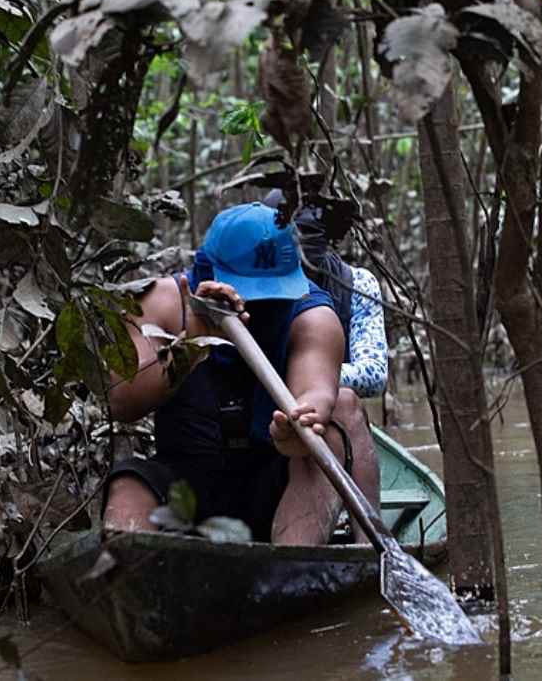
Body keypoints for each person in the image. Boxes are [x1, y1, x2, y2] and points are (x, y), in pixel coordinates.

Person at [102, 202, 380, 545]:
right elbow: (121, 402)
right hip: (187, 481)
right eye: (250, 293)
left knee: (338, 415)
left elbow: (316, 394)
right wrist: (197, 338)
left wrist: (295, 426)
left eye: (272, 296)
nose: (260, 307)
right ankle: (130, 572)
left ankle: (293, 566)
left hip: (275, 483)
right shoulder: (162, 303)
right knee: (128, 487)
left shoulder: (312, 316)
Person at [262, 189, 388, 466]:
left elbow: (374, 374)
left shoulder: (357, 283)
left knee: (343, 401)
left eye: (310, 232)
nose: (299, 242)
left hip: (328, 416)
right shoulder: (250, 279)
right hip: (262, 414)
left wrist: (311, 379)